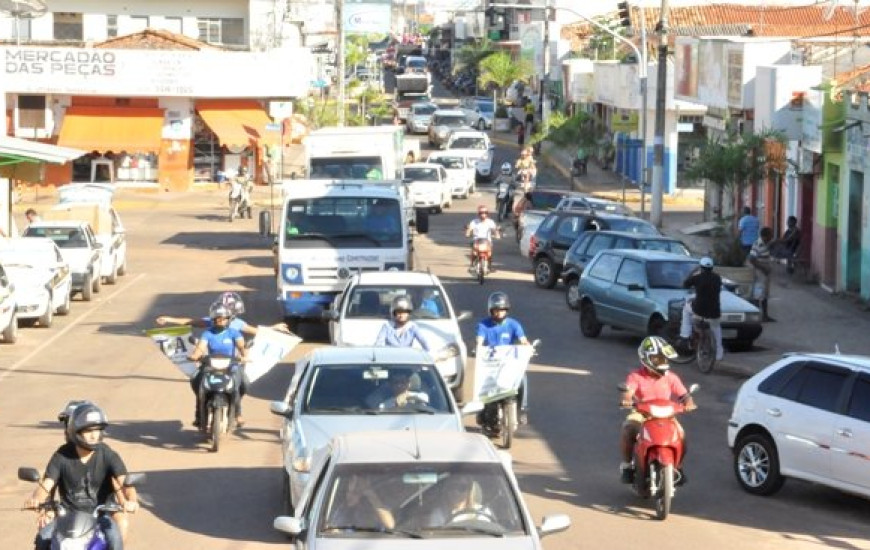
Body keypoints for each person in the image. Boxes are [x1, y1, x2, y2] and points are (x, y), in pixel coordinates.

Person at [26, 403, 139, 550]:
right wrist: (37, 500)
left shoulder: (107, 454)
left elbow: (125, 482)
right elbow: (46, 485)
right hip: (67, 517)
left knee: (115, 539)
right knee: (43, 539)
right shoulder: (61, 455)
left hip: (100, 515)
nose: (94, 435)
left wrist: (132, 501)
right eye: (88, 431)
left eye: (97, 430)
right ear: (76, 431)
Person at [619, 336, 696, 484]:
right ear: (646, 358)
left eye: (663, 359)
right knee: (628, 429)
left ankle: (678, 467)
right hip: (642, 414)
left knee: (681, 436)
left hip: (666, 415)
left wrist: (689, 402)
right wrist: (627, 399)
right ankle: (627, 466)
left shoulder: (671, 377)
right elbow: (628, 391)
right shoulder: (635, 376)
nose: (662, 362)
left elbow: (685, 395)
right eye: (657, 359)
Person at [187, 303, 249, 426]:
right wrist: (195, 355)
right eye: (217, 318)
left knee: (242, 383)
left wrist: (244, 356)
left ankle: (237, 413)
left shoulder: (233, 333)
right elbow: (200, 347)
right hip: (210, 365)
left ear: (228, 319)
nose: (220, 321)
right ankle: (199, 415)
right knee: (196, 379)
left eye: (223, 318)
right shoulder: (208, 333)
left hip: (231, 366)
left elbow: (242, 346)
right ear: (213, 319)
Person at [475, 292, 531, 425]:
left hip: (509, 364)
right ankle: (483, 413)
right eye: (496, 309)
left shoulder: (514, 325)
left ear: (506, 309)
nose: (499, 312)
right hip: (491, 364)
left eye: (502, 309)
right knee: (483, 384)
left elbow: (523, 340)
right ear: (491, 310)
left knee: (522, 379)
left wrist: (529, 348)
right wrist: (478, 348)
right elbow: (479, 341)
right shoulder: (483, 325)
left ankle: (521, 409)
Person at [679, 256, 724, 361]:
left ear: (701, 267)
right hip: (714, 311)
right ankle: (719, 353)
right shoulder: (717, 278)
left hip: (699, 310)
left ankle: (685, 334)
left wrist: (693, 271)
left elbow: (684, 284)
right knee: (717, 330)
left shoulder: (697, 277)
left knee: (686, 309)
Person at [325, 475, 395, 531]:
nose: (350, 496)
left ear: (363, 494)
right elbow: (332, 527)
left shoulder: (375, 507)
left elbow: (390, 525)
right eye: (348, 492)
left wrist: (370, 493)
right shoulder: (342, 508)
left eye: (355, 492)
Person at [749, 226, 776, 322]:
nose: (771, 237)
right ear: (765, 236)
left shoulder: (767, 244)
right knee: (758, 294)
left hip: (766, 273)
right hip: (760, 273)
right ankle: (756, 316)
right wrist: (763, 268)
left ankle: (765, 316)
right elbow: (752, 259)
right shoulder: (757, 244)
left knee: (765, 294)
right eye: (770, 236)